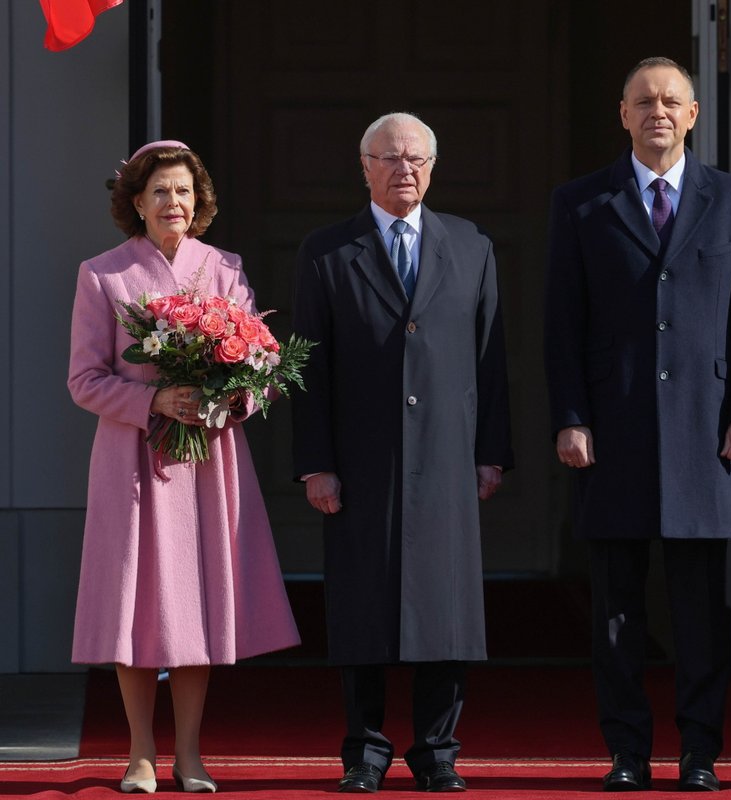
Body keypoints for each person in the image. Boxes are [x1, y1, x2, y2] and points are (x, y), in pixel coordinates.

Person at [544, 56, 731, 792]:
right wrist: (571, 417)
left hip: (707, 433)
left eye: (672, 101)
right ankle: (627, 752)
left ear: (693, 114)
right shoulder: (580, 203)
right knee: (616, 609)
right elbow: (562, 322)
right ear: (623, 114)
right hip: (611, 433)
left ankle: (700, 750)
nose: (659, 113)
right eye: (644, 102)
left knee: (699, 608)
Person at [67, 140, 300, 794]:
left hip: (207, 463)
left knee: (198, 606)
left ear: (199, 203)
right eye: (161, 192)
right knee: (137, 606)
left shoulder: (223, 268)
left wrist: (228, 398)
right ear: (137, 203)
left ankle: (190, 754)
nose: (175, 202)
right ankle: (140, 753)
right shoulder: (104, 274)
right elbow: (83, 380)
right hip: (134, 462)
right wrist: (154, 400)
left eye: (184, 192)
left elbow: (262, 365)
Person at [292, 112, 513, 794]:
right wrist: (316, 462)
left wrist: (492, 452)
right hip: (361, 459)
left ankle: (438, 750)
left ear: (433, 167)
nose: (403, 169)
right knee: (361, 603)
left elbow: (491, 359)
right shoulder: (328, 251)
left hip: (447, 455)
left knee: (446, 606)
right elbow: (309, 367)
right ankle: (364, 751)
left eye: (415, 158)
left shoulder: (471, 245)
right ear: (364, 168)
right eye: (388, 158)